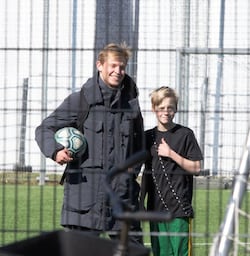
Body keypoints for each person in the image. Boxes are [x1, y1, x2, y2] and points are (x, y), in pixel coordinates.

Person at [35, 43, 145, 248]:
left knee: (133, 250)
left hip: (122, 196)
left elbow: (139, 146)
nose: (118, 71)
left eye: (122, 67)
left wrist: (132, 171)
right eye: (113, 65)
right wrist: (56, 151)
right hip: (85, 196)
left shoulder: (131, 105)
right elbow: (44, 129)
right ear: (99, 65)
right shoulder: (81, 100)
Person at [139, 86, 203, 256]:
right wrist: (141, 201)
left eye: (170, 107)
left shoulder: (185, 134)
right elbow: (146, 172)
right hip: (155, 210)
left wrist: (171, 154)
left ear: (176, 109)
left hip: (179, 209)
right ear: (154, 109)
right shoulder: (148, 137)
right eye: (161, 108)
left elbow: (197, 168)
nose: (166, 112)